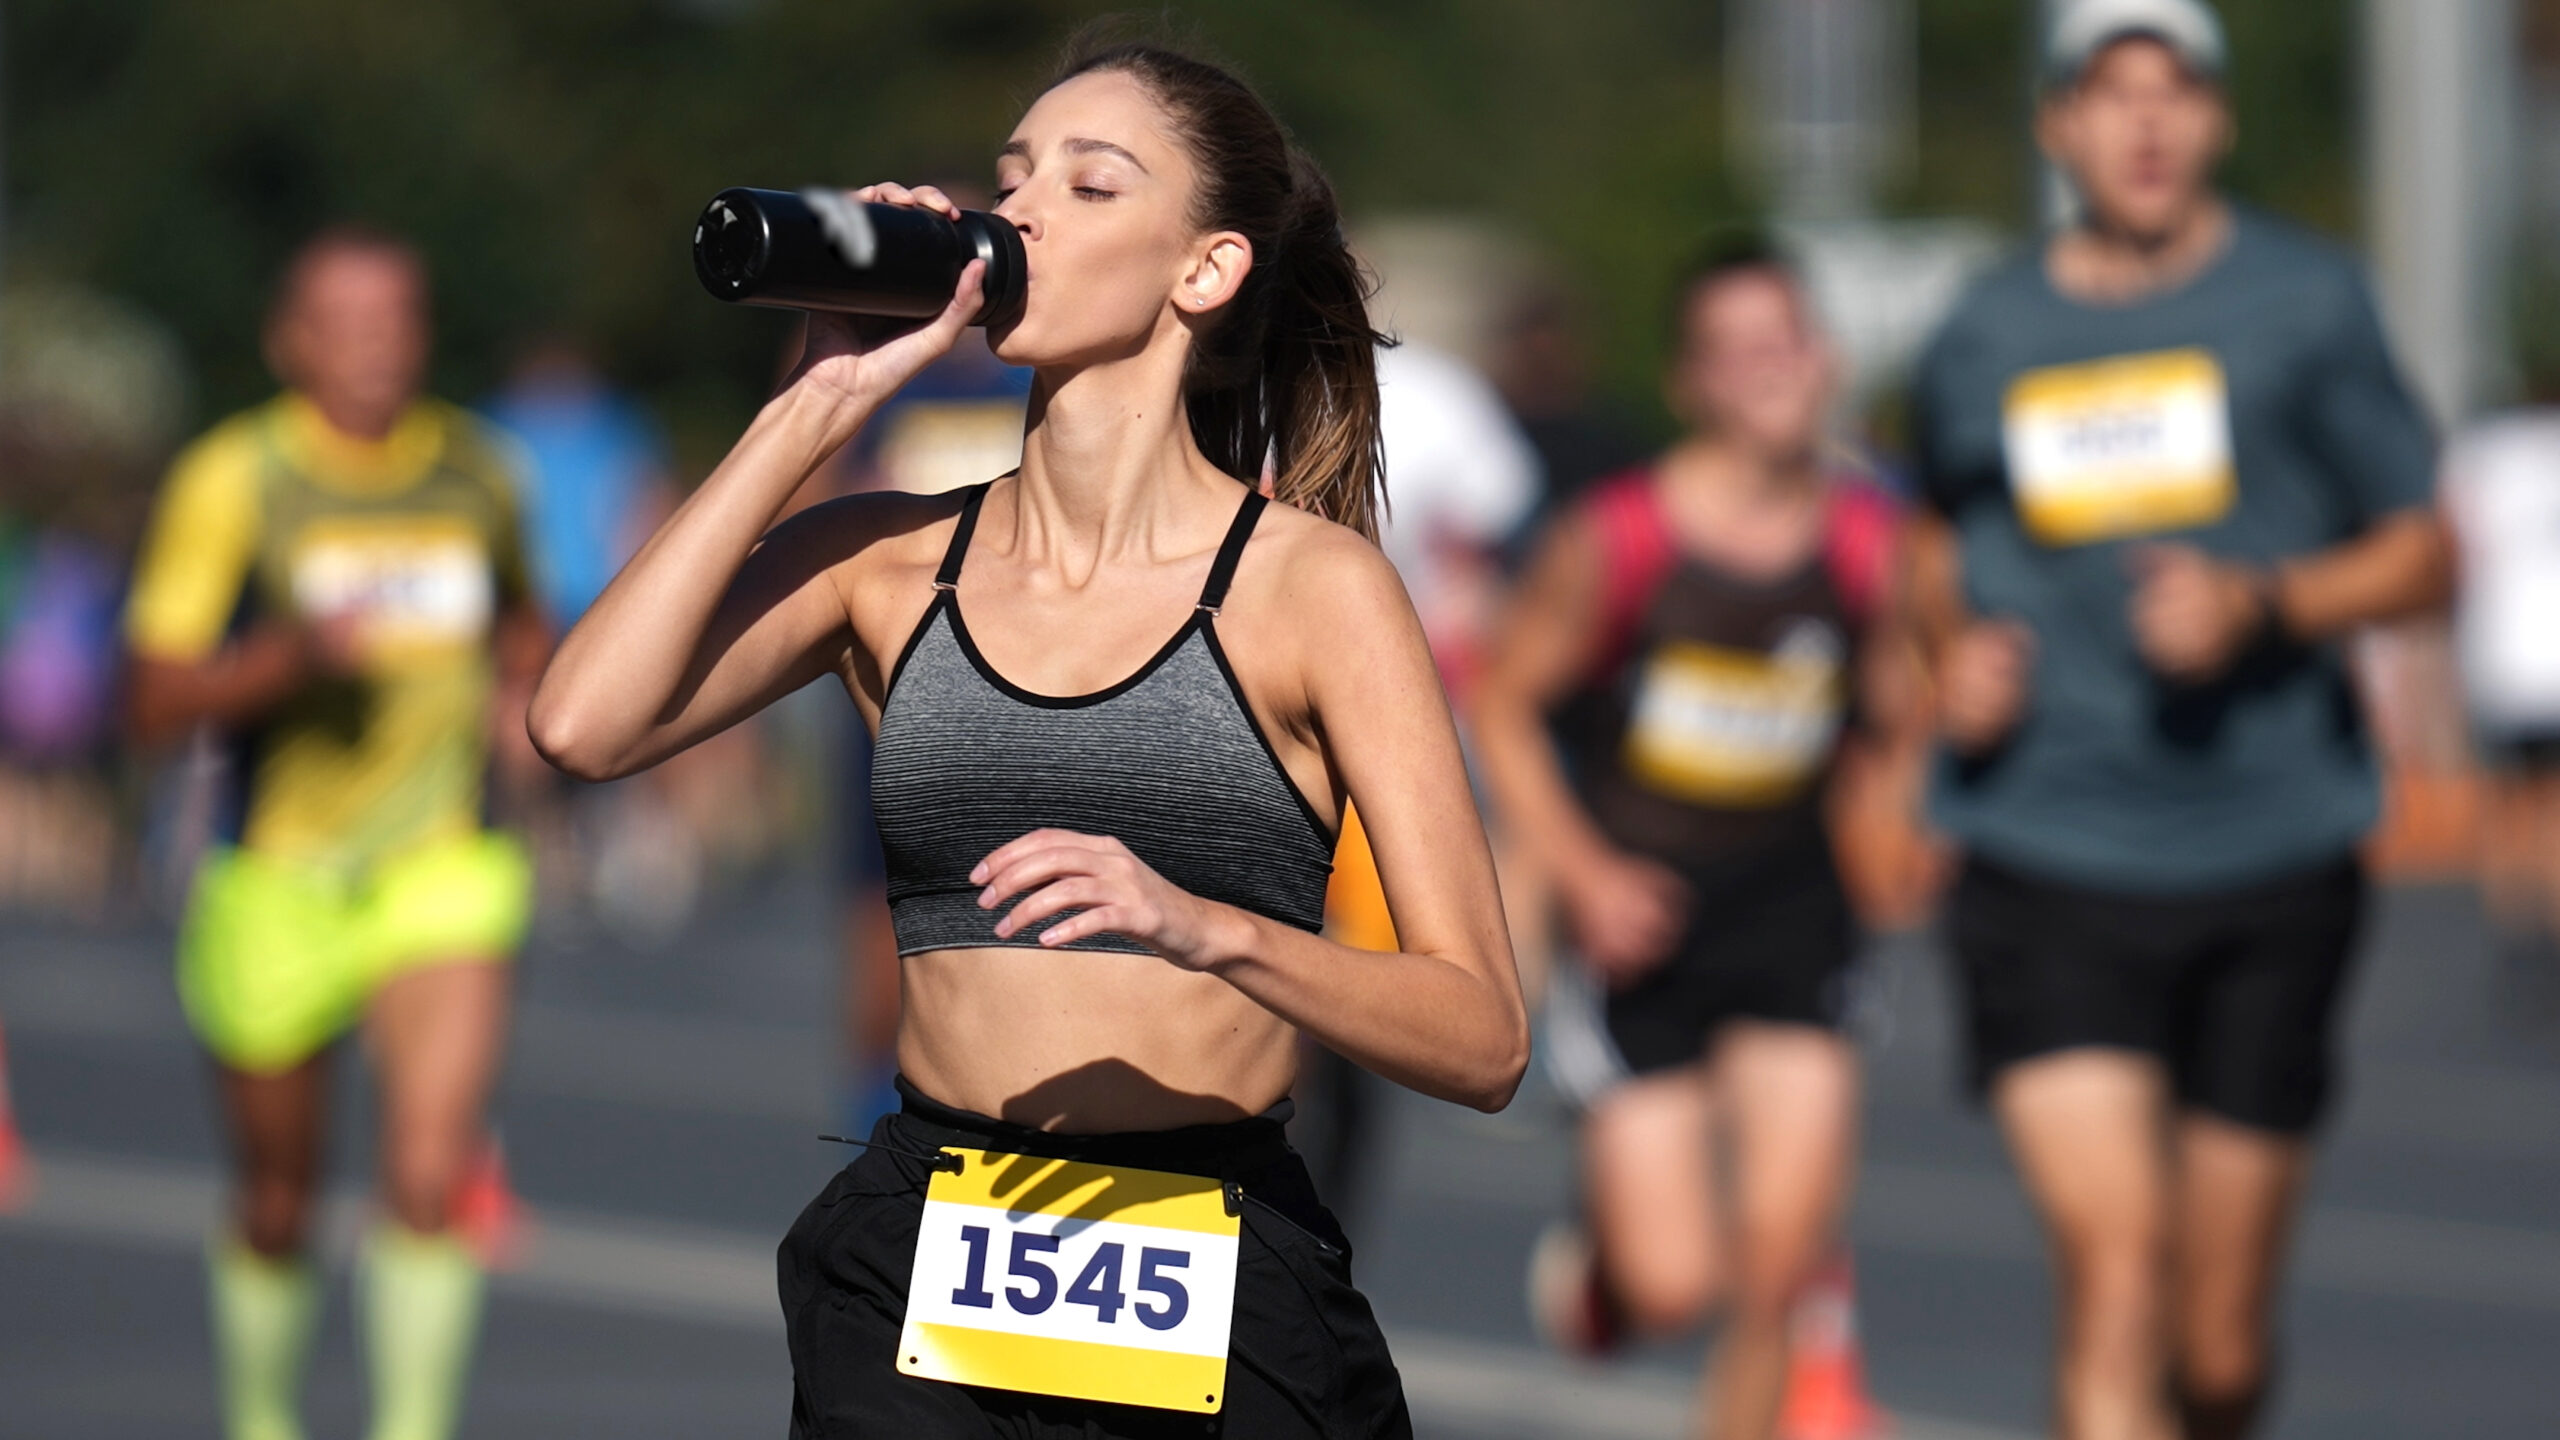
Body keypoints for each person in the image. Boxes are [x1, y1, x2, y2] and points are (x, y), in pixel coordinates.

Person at [528, 39, 1528, 1439]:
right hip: (931, 1240)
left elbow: (1482, 1035)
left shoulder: (1314, 591)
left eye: (1087, 182)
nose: (1020, 213)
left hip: (1211, 1252)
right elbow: (582, 723)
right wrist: (813, 404)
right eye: (1011, 177)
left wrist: (1207, 929)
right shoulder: (882, 563)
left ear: (1207, 268)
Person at [1905, 4, 2454, 1436]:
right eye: (2109, 91)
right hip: (2048, 845)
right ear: (2057, 126)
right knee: (2117, 1266)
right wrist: (1949, 657)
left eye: (2178, 92)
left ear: (2215, 120)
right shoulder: (1986, 328)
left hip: (2269, 846)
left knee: (2213, 1351)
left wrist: (2264, 603)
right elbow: (1926, 535)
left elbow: (2425, 548)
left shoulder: (2309, 302)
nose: (2145, 123)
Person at [1472, 237, 1902, 1440]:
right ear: (1692, 383)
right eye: (1737, 351)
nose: (1770, 371)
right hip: (1641, 927)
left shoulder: (1871, 540)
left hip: (1794, 916)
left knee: (1777, 1269)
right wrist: (1585, 876)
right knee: (1679, 1285)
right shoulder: (1621, 538)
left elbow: (1889, 712)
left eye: (1788, 342)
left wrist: (1925, 749)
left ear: (1824, 359)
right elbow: (1502, 704)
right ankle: (1610, 1264)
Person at [122, 227, 545, 1440]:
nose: (373, 347)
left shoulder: (479, 470)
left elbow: (529, 634)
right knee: (276, 1201)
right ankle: (264, 1419)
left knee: (427, 1174)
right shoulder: (235, 478)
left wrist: (529, 702)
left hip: (443, 872)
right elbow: (150, 701)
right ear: (288, 340)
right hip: (278, 880)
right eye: (343, 323)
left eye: (396, 320)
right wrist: (289, 660)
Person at [2444, 398, 2560, 981]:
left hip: (2503, 657)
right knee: (2547, 801)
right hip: (2530, 658)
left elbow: (2454, 550)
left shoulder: (2483, 456)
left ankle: (2519, 925)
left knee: (2510, 799)